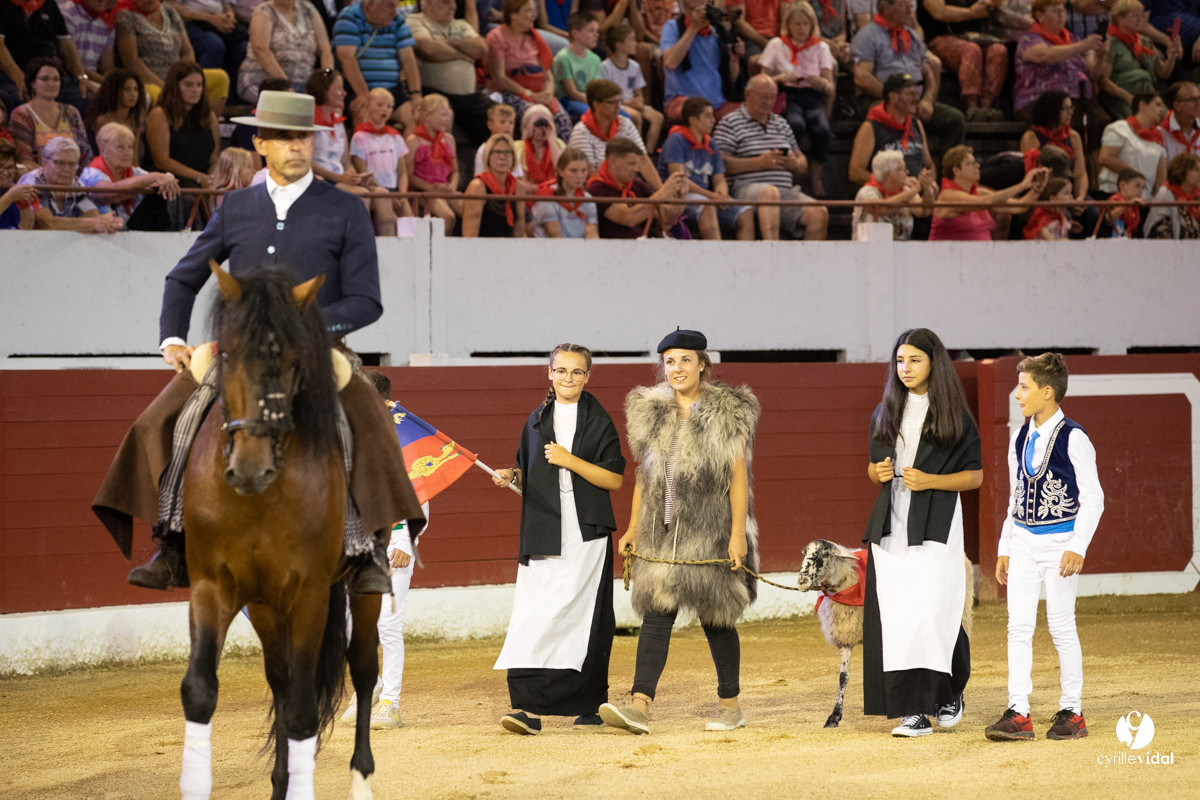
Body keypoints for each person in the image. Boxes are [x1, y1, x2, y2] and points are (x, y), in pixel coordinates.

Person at [93, 89, 423, 596]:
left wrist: (305, 329)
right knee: (162, 421)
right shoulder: (236, 207)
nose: (296, 147)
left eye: (304, 138)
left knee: (371, 422)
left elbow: (366, 302)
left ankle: (368, 548)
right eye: (284, 138)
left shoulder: (345, 209)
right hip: (239, 350)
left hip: (316, 349)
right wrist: (173, 339)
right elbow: (182, 278)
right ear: (260, 143)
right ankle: (172, 540)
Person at [599, 328, 760, 735]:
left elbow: (738, 478)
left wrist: (737, 534)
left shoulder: (727, 412)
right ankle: (640, 705)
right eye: (670, 362)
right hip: (661, 534)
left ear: (702, 364)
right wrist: (634, 527)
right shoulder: (652, 411)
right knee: (656, 615)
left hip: (710, 533)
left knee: (717, 618)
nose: (677, 368)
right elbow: (645, 477)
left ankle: (731, 707)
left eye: (685, 360)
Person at [491, 343, 626, 735]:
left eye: (577, 372)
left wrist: (570, 460)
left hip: (586, 534)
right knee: (534, 613)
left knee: (585, 615)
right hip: (544, 529)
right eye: (561, 371)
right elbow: (527, 472)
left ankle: (588, 704)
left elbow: (613, 479)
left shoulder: (599, 420)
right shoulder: (536, 421)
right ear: (549, 373)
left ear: (587, 376)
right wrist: (511, 475)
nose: (569, 378)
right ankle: (527, 708)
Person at [863, 327, 980, 738]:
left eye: (915, 360)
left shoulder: (954, 415)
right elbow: (873, 468)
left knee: (934, 610)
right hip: (891, 524)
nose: (905, 368)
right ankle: (913, 710)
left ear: (934, 363)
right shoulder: (884, 412)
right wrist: (876, 472)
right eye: (900, 360)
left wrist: (931, 481)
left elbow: (975, 476)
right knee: (899, 615)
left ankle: (949, 690)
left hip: (936, 523)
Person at [985, 353, 1104, 742]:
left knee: (1060, 625)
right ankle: (1019, 711)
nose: (1017, 394)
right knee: (1018, 626)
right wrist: (1005, 545)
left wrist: (1078, 545)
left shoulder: (1074, 437)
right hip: (1022, 541)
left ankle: (1073, 710)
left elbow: (1094, 497)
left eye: (1024, 387)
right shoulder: (1020, 436)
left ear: (1047, 392)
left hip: (1059, 545)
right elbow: (1016, 496)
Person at [339, 370, 430, 731]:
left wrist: (405, 540)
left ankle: (391, 700)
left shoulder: (402, 440)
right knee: (350, 622)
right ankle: (372, 686)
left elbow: (418, 491)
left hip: (393, 542)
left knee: (387, 624)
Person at [712, 74, 829, 240]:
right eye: (763, 97)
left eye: (772, 97)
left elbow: (802, 160)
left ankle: (809, 257)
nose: (768, 102)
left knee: (819, 212)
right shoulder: (730, 122)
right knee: (770, 193)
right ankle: (771, 249)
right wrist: (759, 163)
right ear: (748, 95)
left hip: (785, 191)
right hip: (745, 188)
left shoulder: (781, 123)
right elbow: (721, 163)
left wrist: (795, 164)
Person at [851, 0, 965, 159]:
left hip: (913, 100)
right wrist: (894, 97)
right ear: (887, 8)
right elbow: (862, 77)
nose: (909, 9)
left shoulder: (912, 36)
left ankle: (949, 171)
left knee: (954, 119)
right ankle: (897, 169)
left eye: (909, 5)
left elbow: (929, 73)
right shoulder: (867, 36)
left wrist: (927, 100)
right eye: (903, 5)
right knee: (894, 113)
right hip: (880, 98)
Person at [757, 2, 835, 197]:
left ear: (812, 25)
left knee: (822, 130)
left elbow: (830, 86)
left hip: (812, 96)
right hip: (787, 95)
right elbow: (761, 79)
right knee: (795, 124)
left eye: (805, 24)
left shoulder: (821, 47)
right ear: (789, 25)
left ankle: (816, 177)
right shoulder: (777, 44)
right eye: (797, 24)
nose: (801, 29)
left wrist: (821, 83)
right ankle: (794, 173)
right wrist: (780, 78)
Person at [1012, 0, 1109, 156]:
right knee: (1067, 119)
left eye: (1063, 11)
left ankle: (1091, 170)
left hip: (1079, 99)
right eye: (1055, 11)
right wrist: (1083, 46)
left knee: (1100, 122)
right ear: (1040, 16)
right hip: (1041, 100)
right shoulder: (1029, 38)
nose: (1061, 15)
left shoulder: (1073, 39)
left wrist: (1100, 55)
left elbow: (1093, 73)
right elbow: (1045, 55)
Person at [658, 95, 755, 240]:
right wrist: (711, 196)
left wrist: (721, 194)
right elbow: (679, 181)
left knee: (745, 212)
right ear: (693, 120)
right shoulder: (676, 140)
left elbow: (719, 179)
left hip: (705, 196)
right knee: (707, 206)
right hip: (679, 196)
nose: (713, 120)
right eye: (708, 116)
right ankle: (715, 251)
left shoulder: (712, 143)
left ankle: (746, 254)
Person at [115, 0, 230, 115]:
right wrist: (167, 87)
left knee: (220, 79)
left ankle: (203, 124)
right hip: (149, 81)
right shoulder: (126, 17)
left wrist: (185, 78)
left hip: (176, 77)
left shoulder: (170, 12)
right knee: (156, 93)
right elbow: (131, 61)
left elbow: (187, 51)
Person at [406, 0, 493, 145]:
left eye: (454, 2)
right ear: (428, 4)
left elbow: (480, 48)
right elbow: (430, 49)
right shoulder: (417, 21)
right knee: (442, 111)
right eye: (446, 2)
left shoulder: (459, 25)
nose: (453, 6)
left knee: (497, 114)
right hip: (436, 92)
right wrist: (463, 54)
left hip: (469, 97)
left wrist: (449, 42)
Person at [486, 0, 573, 141]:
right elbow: (499, 77)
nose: (533, 15)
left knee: (562, 119)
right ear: (513, 14)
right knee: (536, 116)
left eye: (534, 11)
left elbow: (548, 76)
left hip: (539, 90)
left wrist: (548, 94)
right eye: (528, 11)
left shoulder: (535, 38)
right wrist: (529, 94)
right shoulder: (497, 37)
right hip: (512, 92)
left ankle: (559, 154)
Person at [145, 60, 220, 219]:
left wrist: (211, 180)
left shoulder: (209, 116)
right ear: (175, 86)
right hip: (170, 181)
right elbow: (162, 160)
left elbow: (214, 158)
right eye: (188, 85)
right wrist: (199, 177)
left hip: (203, 179)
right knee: (190, 198)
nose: (195, 90)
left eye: (199, 85)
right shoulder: (160, 114)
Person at [333, 0, 423, 130]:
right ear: (371, 5)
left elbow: (409, 60)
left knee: (417, 120)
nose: (394, 12)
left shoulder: (397, 21)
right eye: (390, 6)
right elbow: (346, 58)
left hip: (392, 90)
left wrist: (416, 95)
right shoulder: (350, 17)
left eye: (396, 6)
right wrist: (364, 94)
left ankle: (400, 144)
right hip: (359, 89)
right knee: (364, 117)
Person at [931, 144, 1049, 239]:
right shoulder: (947, 195)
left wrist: (1037, 188)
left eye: (976, 162)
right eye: (970, 163)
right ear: (956, 170)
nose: (977, 166)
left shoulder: (980, 192)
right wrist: (1021, 186)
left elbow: (1020, 206)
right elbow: (981, 203)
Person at [917, 0, 1009, 121]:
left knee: (999, 50)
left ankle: (987, 107)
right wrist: (970, 13)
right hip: (940, 37)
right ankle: (971, 106)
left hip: (976, 37)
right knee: (971, 50)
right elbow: (938, 12)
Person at [78, 120, 180, 224]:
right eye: (120, 147)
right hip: (102, 229)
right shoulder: (91, 173)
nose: (127, 153)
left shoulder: (134, 171)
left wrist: (165, 180)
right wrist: (154, 177)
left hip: (130, 228)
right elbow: (110, 192)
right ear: (103, 150)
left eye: (130, 147)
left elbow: (160, 179)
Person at [0, 0, 91, 115]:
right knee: (19, 99)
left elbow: (66, 44)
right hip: (12, 76)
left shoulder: (48, 4)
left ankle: (68, 127)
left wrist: (81, 77)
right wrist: (20, 79)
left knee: (85, 98)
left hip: (49, 73)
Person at [17, 135, 125, 230]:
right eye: (60, 163)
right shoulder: (32, 182)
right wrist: (94, 223)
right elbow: (46, 224)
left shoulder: (76, 184)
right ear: (45, 162)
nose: (67, 169)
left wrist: (104, 223)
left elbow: (93, 216)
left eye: (72, 164)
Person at [660, 0, 745, 121]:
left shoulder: (718, 31)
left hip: (718, 102)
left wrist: (734, 60)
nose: (700, 13)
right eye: (693, 8)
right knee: (701, 117)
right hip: (684, 101)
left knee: (747, 117)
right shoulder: (673, 26)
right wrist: (693, 27)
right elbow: (670, 63)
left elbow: (731, 79)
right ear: (685, 10)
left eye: (703, 7)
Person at [586, 134, 685, 238]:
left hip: (642, 243)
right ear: (613, 161)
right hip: (613, 245)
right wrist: (662, 193)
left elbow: (667, 221)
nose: (636, 169)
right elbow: (628, 218)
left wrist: (681, 196)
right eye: (631, 164)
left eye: (637, 165)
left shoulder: (637, 184)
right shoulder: (598, 188)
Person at [567, 78, 659, 187]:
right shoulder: (581, 131)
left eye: (619, 101)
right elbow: (588, 173)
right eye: (612, 102)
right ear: (596, 105)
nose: (618, 107)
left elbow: (643, 159)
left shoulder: (625, 124)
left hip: (624, 185)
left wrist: (661, 190)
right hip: (597, 190)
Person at [237, 0, 332, 103]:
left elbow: (325, 50)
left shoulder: (308, 8)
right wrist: (286, 86)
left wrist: (326, 78)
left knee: (327, 102)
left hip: (304, 83)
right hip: (264, 82)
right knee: (288, 106)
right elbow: (261, 51)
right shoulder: (264, 11)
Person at [849, 72, 935, 185]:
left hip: (917, 192)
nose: (917, 99)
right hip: (888, 194)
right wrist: (896, 183)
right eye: (910, 94)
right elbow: (855, 172)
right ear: (893, 97)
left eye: (917, 93)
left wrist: (930, 182)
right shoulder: (871, 127)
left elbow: (929, 165)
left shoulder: (916, 124)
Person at [1100, 0, 1181, 119]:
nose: (1140, 19)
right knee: (1141, 120)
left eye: (1142, 16)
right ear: (1120, 18)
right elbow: (1104, 81)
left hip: (1148, 94)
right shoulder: (1110, 43)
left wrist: (1172, 56)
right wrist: (1128, 97)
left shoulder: (1145, 42)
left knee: (1170, 122)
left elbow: (1163, 73)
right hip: (1123, 96)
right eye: (1134, 15)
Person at [7, 57, 92, 166]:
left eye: (56, 79)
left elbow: (85, 155)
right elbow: (24, 159)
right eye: (45, 79)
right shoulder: (21, 114)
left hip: (72, 175)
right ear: (33, 83)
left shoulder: (71, 112)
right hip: (36, 175)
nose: (51, 84)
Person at [350, 86, 412, 228]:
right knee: (394, 223)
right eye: (380, 105)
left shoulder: (395, 137)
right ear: (368, 106)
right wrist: (386, 193)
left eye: (389, 107)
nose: (385, 109)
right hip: (375, 189)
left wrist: (402, 194)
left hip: (395, 190)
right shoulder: (360, 137)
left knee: (410, 223)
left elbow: (402, 173)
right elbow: (363, 172)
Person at [1018, 90, 1089, 203]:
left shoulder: (1074, 136)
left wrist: (1079, 198)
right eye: (1065, 108)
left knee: (1093, 211)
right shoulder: (1031, 137)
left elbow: (1081, 174)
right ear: (1052, 110)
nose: (1071, 112)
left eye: (1071, 108)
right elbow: (1033, 175)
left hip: (1070, 193)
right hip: (1045, 195)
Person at [601, 25, 661, 153]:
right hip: (618, 104)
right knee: (635, 116)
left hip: (632, 103)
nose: (636, 43)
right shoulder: (605, 67)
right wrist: (628, 104)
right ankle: (634, 152)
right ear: (619, 45)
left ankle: (648, 152)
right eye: (632, 40)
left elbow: (639, 93)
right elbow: (607, 96)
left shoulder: (635, 66)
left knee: (657, 117)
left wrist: (639, 102)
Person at [405, 91, 460, 231]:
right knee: (448, 216)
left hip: (445, 188)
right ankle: (441, 245)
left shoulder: (449, 139)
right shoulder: (413, 141)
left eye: (448, 114)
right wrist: (432, 188)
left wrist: (452, 187)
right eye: (442, 115)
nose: (447, 119)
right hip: (423, 191)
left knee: (471, 210)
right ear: (428, 116)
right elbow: (409, 175)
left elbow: (455, 171)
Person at [852, 148, 935, 240]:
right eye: (902, 169)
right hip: (871, 246)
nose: (907, 172)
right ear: (888, 174)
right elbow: (882, 209)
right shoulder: (867, 192)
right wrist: (915, 189)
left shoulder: (906, 191)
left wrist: (927, 189)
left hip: (902, 247)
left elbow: (924, 211)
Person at [1097, 91, 1167, 197]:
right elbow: (1105, 158)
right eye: (1158, 105)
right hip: (1115, 193)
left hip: (1144, 198)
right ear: (1143, 105)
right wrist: (1135, 176)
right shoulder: (1119, 128)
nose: (1162, 110)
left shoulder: (1158, 136)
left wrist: (1159, 197)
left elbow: (1161, 177)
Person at [462, 131, 524, 236]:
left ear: (513, 157)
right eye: (497, 152)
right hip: (482, 244)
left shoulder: (519, 187)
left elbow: (519, 226)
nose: (502, 157)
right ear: (488, 156)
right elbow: (469, 235)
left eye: (507, 152)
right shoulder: (477, 187)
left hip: (508, 244)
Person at [170, 0, 249, 81]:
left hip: (219, 21)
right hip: (192, 22)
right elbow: (172, 5)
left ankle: (229, 88)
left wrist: (229, 16)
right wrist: (209, 18)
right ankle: (206, 86)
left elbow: (227, 6)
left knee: (243, 47)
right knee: (213, 44)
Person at [531, 145, 598, 237]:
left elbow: (592, 234)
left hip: (577, 246)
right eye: (573, 171)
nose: (580, 176)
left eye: (583, 170)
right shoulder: (547, 197)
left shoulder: (588, 199)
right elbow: (555, 236)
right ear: (560, 171)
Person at [85, 69, 147, 160]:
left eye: (136, 89)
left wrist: (135, 168)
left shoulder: (135, 120)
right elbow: (103, 155)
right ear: (114, 91)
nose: (133, 94)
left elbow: (134, 156)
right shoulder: (103, 121)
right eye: (127, 89)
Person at [552, 12, 602, 118]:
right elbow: (573, 93)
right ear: (575, 34)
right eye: (591, 31)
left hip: (590, 100)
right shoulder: (563, 58)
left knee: (624, 115)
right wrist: (598, 104)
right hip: (567, 102)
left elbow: (597, 88)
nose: (596, 35)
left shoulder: (595, 59)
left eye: (597, 31)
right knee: (596, 114)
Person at [59, 0, 116, 91]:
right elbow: (72, 64)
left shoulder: (107, 24)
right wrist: (105, 83)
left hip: (94, 80)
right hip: (68, 77)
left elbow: (107, 67)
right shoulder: (67, 15)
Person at [1144, 151, 1200, 237]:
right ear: (1182, 171)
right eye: (1196, 169)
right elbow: (1158, 229)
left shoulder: (1196, 197)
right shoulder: (1166, 193)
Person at [514, 101, 563, 186]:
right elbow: (518, 180)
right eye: (537, 124)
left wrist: (551, 138)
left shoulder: (558, 144)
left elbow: (563, 170)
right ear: (525, 125)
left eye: (545, 124)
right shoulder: (518, 147)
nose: (541, 128)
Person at [0, 138, 37, 229]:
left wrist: (25, 204)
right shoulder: (12, 194)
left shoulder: (14, 190)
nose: (5, 172)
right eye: (0, 167)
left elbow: (25, 229)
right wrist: (9, 197)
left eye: (9, 167)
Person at [1160, 80, 1200, 161]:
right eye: (1192, 100)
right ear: (1176, 105)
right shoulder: (1161, 131)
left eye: (1199, 98)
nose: (1198, 103)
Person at [1099, 166, 1146, 236]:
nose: (1141, 191)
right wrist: (1126, 205)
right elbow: (1108, 217)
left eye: (1143, 187)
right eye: (1137, 186)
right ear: (1122, 186)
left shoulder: (1134, 206)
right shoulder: (1115, 200)